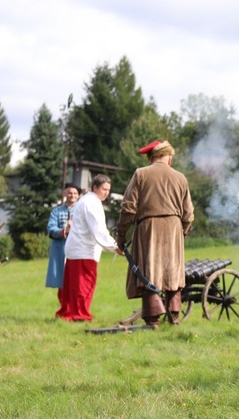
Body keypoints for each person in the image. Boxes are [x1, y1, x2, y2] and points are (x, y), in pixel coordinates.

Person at [116, 140, 194, 327]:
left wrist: (121, 235)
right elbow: (189, 214)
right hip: (174, 227)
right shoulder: (180, 177)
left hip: (149, 227)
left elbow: (128, 208)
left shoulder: (141, 174)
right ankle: (174, 316)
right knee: (172, 272)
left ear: (151, 157)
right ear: (168, 156)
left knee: (149, 271)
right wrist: (182, 232)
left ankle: (153, 320)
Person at [56, 174, 122, 322]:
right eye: (104, 189)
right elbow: (97, 229)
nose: (107, 193)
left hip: (76, 250)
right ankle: (80, 315)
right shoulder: (91, 202)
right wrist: (114, 246)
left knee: (72, 286)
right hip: (83, 251)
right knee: (83, 285)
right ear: (95, 187)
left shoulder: (86, 200)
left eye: (108, 190)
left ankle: (68, 313)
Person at [45, 183, 81, 294]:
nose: (72, 195)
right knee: (61, 280)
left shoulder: (81, 210)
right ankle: (64, 307)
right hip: (60, 248)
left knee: (76, 279)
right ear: (65, 193)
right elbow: (51, 229)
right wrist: (64, 230)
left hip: (77, 248)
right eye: (70, 193)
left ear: (78, 195)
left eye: (75, 193)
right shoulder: (56, 211)